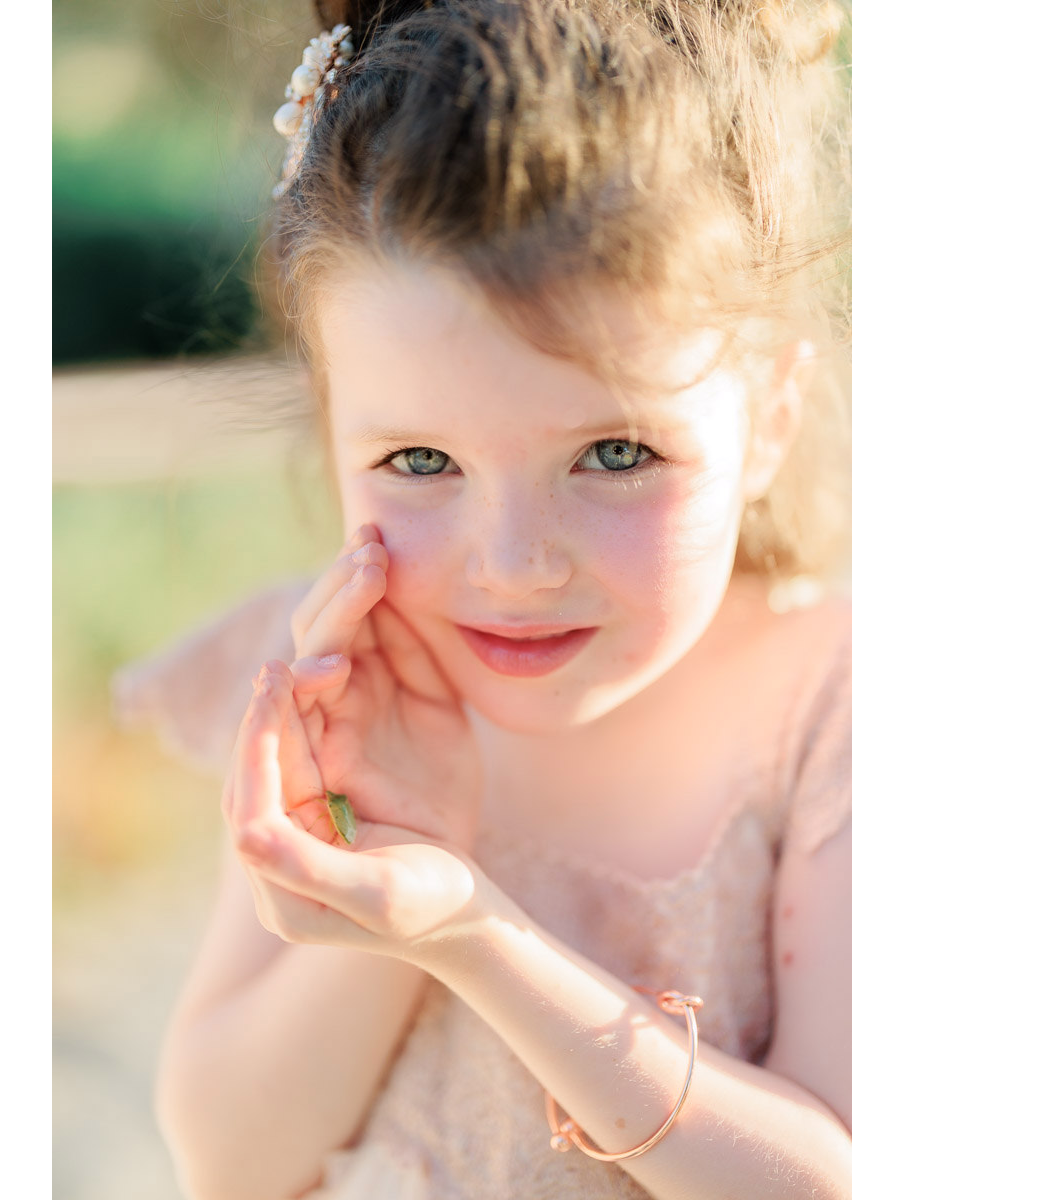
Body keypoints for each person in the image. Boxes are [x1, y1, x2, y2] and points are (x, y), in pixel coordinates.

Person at [116, 1, 852, 1196]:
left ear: (769, 415)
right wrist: (394, 866)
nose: (513, 565)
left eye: (614, 454)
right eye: (418, 463)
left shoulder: (826, 707)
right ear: (333, 417)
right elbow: (232, 1158)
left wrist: (470, 934)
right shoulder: (334, 681)